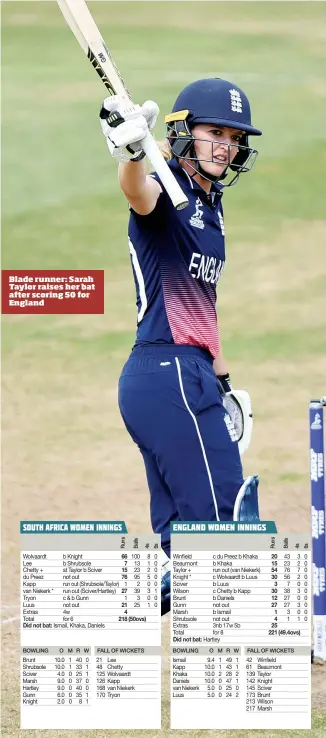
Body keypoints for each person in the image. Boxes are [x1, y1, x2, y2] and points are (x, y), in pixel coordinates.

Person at [100, 78, 262, 614]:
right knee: (223, 521)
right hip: (166, 373)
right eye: (214, 132)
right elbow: (136, 192)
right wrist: (129, 154)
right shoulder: (166, 191)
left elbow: (202, 306)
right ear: (183, 133)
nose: (226, 146)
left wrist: (222, 381)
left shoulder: (211, 210)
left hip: (182, 376)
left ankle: (97, 614)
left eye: (234, 137)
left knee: (187, 547)